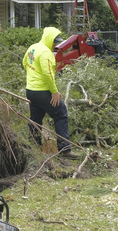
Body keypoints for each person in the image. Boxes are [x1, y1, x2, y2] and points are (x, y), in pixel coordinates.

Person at [23, 27, 79, 159]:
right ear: (49, 39)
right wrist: (54, 92)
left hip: (30, 91)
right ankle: (65, 150)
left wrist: (32, 78)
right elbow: (47, 75)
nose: (55, 44)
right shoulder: (45, 53)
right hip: (42, 91)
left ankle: (34, 148)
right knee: (61, 114)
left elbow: (25, 62)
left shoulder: (33, 47)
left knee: (35, 120)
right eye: (54, 42)